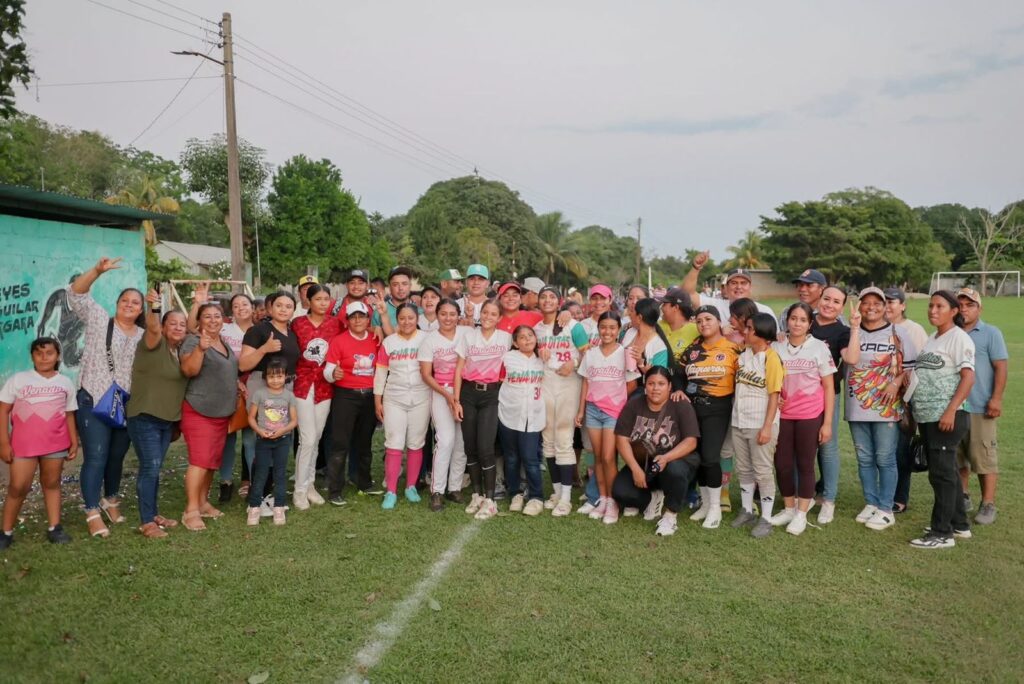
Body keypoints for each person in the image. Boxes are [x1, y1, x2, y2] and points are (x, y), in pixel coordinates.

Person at [66, 256, 145, 538]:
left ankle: (110, 500)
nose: (129, 305)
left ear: (141, 309)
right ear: (117, 303)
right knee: (96, 456)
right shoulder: (100, 320)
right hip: (94, 398)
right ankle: (91, 511)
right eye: (125, 300)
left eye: (135, 303)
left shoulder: (143, 336)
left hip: (125, 405)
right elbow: (76, 294)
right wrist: (97, 271)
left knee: (116, 457)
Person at [846, 286, 917, 529]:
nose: (871, 307)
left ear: (885, 306)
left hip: (887, 407)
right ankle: (871, 502)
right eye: (866, 302)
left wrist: (895, 383)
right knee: (864, 458)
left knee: (885, 458)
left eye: (877, 303)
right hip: (857, 406)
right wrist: (854, 328)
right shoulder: (852, 331)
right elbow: (849, 359)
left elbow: (911, 366)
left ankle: (886, 508)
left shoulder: (898, 332)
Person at [909, 291, 976, 549]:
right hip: (928, 416)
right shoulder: (933, 338)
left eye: (939, 306)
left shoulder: (958, 338)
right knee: (947, 472)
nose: (933, 310)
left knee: (941, 475)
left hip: (946, 416)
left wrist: (951, 410)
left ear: (954, 311)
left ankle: (941, 533)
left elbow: (968, 377)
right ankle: (959, 525)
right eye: (931, 306)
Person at [0, 337, 78, 548]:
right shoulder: (18, 380)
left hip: (55, 444)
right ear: (32, 356)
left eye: (49, 353)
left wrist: (73, 441)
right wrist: (3, 442)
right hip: (23, 445)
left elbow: (69, 414)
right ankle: (5, 532)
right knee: (18, 487)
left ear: (57, 356)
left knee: (52, 483)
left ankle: (55, 528)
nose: (44, 358)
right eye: (39, 353)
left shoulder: (65, 382)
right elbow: (3, 410)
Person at [125, 291, 189, 538]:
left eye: (182, 324)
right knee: (150, 467)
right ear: (163, 327)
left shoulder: (178, 352)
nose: (178, 327)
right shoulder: (153, 343)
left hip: (166, 422)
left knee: (155, 467)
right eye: (172, 323)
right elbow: (152, 327)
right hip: (145, 417)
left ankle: (153, 514)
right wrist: (153, 306)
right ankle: (146, 522)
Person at [770, 303, 836, 535]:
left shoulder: (819, 347)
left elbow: (828, 387)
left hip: (810, 414)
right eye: (793, 318)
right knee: (782, 464)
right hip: (783, 415)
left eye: (802, 320)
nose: (797, 323)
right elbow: (770, 380)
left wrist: (827, 423)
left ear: (809, 324)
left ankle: (801, 514)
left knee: (805, 464)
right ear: (787, 321)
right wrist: (775, 399)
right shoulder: (776, 347)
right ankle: (789, 508)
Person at [612, 367, 702, 537]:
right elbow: (621, 438)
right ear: (645, 385)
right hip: (644, 463)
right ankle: (653, 497)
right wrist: (635, 468)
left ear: (669, 386)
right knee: (620, 492)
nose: (655, 388)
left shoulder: (680, 405)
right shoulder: (635, 404)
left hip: (674, 462)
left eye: (661, 384)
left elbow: (691, 442)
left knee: (674, 470)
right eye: (651, 383)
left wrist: (667, 457)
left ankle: (670, 515)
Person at [179, 302, 240, 531]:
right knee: (199, 461)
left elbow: (224, 369)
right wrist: (200, 349)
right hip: (199, 410)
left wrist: (236, 384)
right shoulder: (193, 341)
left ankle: (203, 502)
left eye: (217, 316)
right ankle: (191, 510)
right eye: (207, 316)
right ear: (199, 321)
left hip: (221, 412)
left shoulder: (222, 342)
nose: (213, 320)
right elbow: (189, 370)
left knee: (211, 461)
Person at [680, 305, 740, 529]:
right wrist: (678, 390)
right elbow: (679, 374)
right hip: (693, 409)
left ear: (718, 322)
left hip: (718, 408)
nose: (703, 323)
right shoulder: (692, 349)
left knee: (710, 457)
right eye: (699, 320)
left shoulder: (733, 349)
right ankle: (705, 504)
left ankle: (715, 507)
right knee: (698, 458)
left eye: (708, 319)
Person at [576, 312, 639, 520]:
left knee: (608, 457)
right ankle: (602, 498)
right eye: (603, 327)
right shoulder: (591, 354)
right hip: (593, 410)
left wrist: (616, 402)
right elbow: (586, 382)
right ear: (598, 329)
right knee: (597, 457)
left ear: (619, 329)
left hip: (613, 412)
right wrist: (581, 410)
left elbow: (632, 384)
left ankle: (613, 501)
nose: (607, 331)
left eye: (612, 327)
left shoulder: (625, 353)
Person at [454, 300, 512, 519]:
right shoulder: (469, 336)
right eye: (485, 312)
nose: (488, 316)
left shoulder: (506, 338)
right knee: (470, 446)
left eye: (493, 314)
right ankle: (476, 495)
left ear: (499, 318)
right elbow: (459, 369)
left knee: (485, 447)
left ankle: (490, 500)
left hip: (492, 394)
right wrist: (456, 400)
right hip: (468, 393)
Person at [534, 287, 589, 514]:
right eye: (543, 297)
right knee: (548, 438)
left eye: (552, 297)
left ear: (559, 302)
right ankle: (556, 492)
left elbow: (588, 354)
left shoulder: (573, 326)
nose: (547, 300)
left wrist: (574, 363)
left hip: (569, 384)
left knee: (564, 437)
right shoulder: (537, 328)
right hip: (546, 384)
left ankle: (566, 498)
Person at [955, 287, 1006, 525]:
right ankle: (963, 495)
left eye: (970, 305)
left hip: (980, 406)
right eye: (960, 305)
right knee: (958, 457)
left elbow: (1001, 367)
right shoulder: (950, 332)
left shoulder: (990, 333)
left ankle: (988, 503)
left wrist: (996, 398)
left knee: (984, 457)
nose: (964, 309)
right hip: (954, 406)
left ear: (979, 308)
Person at [730, 313, 784, 538]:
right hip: (739, 420)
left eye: (750, 328)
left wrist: (767, 426)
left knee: (762, 471)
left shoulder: (771, 358)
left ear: (761, 333)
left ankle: (767, 518)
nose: (745, 331)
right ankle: (747, 510)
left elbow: (774, 395)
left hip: (760, 422)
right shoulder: (743, 355)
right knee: (743, 468)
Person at [323, 301, 380, 504]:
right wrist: (333, 373)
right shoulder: (339, 341)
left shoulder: (375, 338)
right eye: (353, 317)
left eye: (361, 316)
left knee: (364, 442)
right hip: (346, 395)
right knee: (340, 443)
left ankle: (364, 482)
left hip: (369, 396)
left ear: (367, 319)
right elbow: (328, 370)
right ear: (347, 320)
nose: (357, 321)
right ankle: (335, 489)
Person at [375, 304, 430, 510]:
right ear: (397, 320)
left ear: (417, 319)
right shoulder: (389, 342)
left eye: (411, 318)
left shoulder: (426, 339)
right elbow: (381, 373)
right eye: (402, 318)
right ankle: (391, 490)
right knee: (394, 442)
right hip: (394, 398)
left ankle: (410, 487)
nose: (407, 322)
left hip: (421, 397)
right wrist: (377, 401)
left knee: (416, 442)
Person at [291, 284, 340, 510]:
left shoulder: (335, 324)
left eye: (326, 299)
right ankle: (299, 490)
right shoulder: (298, 323)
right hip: (302, 384)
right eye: (318, 299)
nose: (322, 303)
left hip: (325, 385)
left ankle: (309, 485)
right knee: (307, 438)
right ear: (308, 301)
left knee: (316, 437)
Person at [811, 286, 855, 524]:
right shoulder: (804, 321)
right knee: (801, 447)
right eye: (827, 298)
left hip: (828, 394)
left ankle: (828, 500)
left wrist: (855, 328)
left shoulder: (843, 331)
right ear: (819, 298)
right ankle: (801, 496)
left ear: (842, 307)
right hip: (798, 396)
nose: (829, 304)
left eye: (836, 302)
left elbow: (851, 358)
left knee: (827, 445)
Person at [419, 299, 468, 511]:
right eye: (443, 314)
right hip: (441, 392)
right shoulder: (430, 340)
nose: (448, 318)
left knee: (461, 442)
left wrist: (457, 397)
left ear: (458, 315)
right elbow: (426, 374)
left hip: (465, 391)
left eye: (452, 314)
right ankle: (437, 490)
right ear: (437, 315)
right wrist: (448, 396)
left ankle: (454, 487)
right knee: (445, 440)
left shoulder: (466, 333)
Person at [498, 325, 547, 516]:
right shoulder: (507, 358)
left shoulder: (543, 358)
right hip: (509, 414)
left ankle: (536, 496)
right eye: (522, 337)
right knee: (511, 457)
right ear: (515, 343)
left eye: (530, 335)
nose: (527, 340)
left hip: (533, 416)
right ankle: (515, 493)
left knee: (530, 458)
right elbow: (498, 378)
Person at [246, 358, 298, 526]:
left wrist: (282, 431)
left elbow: (294, 421)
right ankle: (254, 507)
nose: (276, 380)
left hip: (282, 440)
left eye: (279, 376)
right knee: (261, 473)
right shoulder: (259, 394)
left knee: (280, 474)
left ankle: (279, 507)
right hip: (263, 440)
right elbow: (251, 418)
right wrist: (260, 431)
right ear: (266, 377)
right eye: (271, 376)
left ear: (285, 376)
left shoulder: (289, 396)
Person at [216, 292, 257, 503]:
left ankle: (253, 483)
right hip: (226, 387)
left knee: (250, 440)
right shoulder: (223, 330)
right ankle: (225, 482)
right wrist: (233, 381)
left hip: (252, 389)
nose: (241, 308)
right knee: (228, 438)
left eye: (245, 304)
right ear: (231, 310)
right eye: (236, 305)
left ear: (252, 307)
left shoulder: (260, 330)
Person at [680, 254, 775, 321]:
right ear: (726, 287)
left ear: (750, 287)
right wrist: (696, 268)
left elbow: (774, 339)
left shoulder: (764, 311)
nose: (739, 287)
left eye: (743, 283)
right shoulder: (715, 306)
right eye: (734, 283)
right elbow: (687, 294)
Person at [779, 269, 828, 333]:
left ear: (822, 289)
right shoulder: (787, 312)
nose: (802, 289)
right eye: (800, 285)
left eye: (809, 285)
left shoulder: (830, 314)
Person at [657, 287, 699, 363]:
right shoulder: (657, 326)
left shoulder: (697, 331)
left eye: (664, 304)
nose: (661, 308)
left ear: (675, 307)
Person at [373, 266, 416, 338]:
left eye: (404, 284)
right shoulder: (379, 311)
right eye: (395, 284)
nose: (400, 288)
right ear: (390, 287)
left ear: (410, 286)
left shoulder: (421, 311)